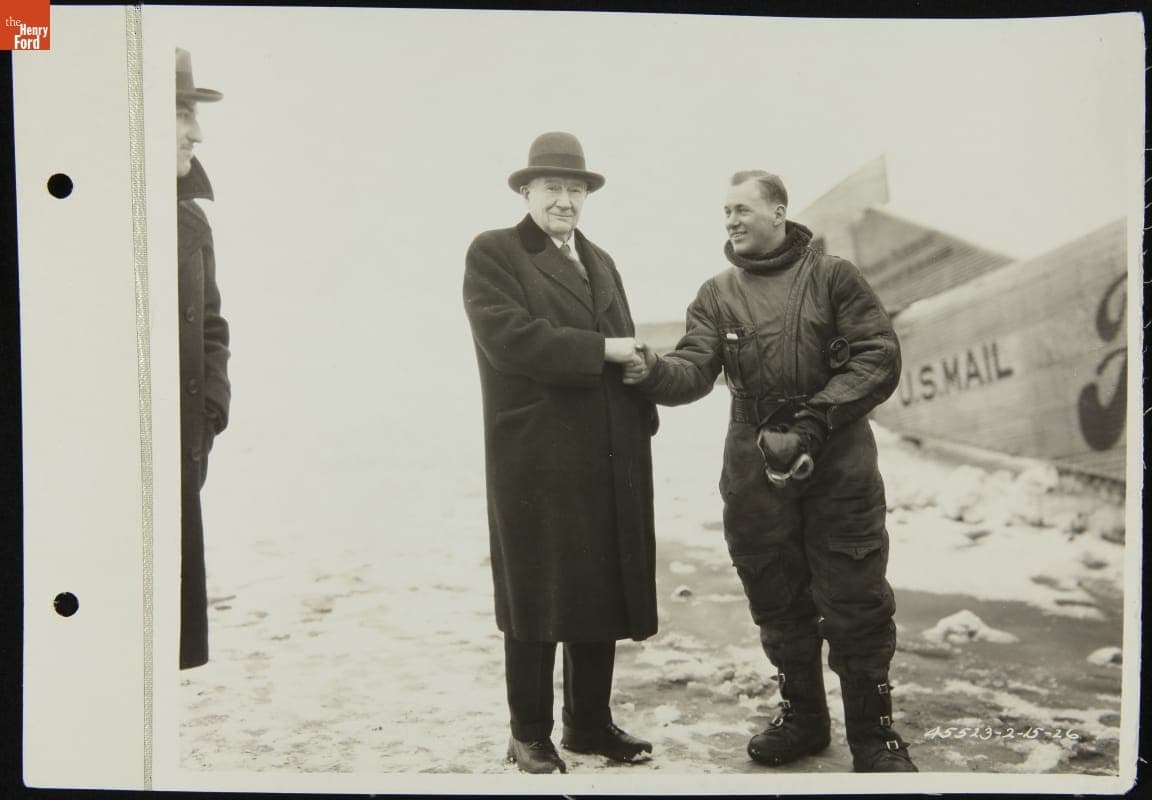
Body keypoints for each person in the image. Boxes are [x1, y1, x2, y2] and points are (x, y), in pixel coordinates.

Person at [624, 170, 917, 772]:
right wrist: (652, 371)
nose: (730, 220)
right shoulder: (715, 293)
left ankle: (874, 734)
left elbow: (878, 356)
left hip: (837, 456)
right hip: (753, 461)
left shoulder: (833, 277)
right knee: (775, 591)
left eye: (742, 208)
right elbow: (694, 369)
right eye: (724, 211)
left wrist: (814, 420)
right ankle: (804, 719)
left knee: (855, 594)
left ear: (779, 213)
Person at [463, 131, 658, 774]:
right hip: (538, 456)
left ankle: (589, 723)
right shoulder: (495, 251)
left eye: (576, 189)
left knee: (598, 585)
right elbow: (510, 338)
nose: (566, 200)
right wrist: (603, 353)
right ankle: (528, 732)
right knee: (537, 592)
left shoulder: (601, 259)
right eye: (553, 188)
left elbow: (625, 339)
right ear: (526, 191)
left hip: (606, 450)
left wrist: (640, 380)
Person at [176, 48, 231, 670]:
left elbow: (212, 326)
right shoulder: (86, 209)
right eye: (182, 112)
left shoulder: (191, 220)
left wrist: (212, 409)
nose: (196, 131)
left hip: (182, 457)